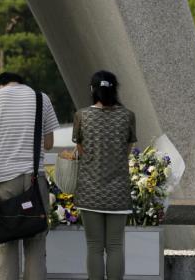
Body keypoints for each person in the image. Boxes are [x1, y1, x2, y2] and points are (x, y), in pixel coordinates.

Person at [0, 72, 59, 280]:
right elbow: (48, 144)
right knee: (36, 243)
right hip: (34, 180)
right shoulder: (41, 98)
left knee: (7, 242)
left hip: (4, 180)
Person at [72, 70, 137, 280]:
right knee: (116, 246)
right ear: (115, 89)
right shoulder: (128, 116)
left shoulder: (82, 115)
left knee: (94, 247)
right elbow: (128, 148)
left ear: (92, 89)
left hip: (90, 191)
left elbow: (80, 149)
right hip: (118, 192)